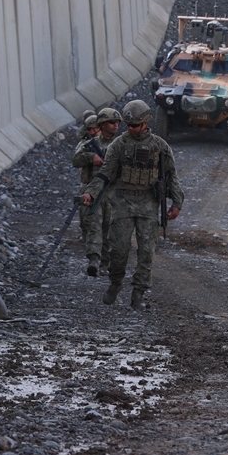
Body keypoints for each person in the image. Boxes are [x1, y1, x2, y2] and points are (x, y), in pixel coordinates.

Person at [82, 100, 184, 310]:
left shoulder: (159, 146)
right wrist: (90, 192)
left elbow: (171, 175)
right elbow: (106, 172)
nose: (130, 129)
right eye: (128, 125)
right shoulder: (118, 145)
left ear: (145, 123)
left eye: (135, 125)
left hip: (148, 203)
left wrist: (177, 201)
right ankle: (115, 283)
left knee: (147, 251)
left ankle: (138, 292)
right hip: (123, 202)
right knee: (118, 250)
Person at [73, 109, 121, 277]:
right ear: (102, 125)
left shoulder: (120, 145)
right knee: (93, 224)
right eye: (111, 122)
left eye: (117, 123)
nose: (115, 125)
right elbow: (75, 159)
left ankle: (105, 261)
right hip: (92, 190)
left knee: (109, 226)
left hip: (112, 191)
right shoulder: (90, 143)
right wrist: (91, 157)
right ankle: (94, 258)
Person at [73, 115, 101, 246]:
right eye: (88, 129)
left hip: (105, 184)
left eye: (93, 129)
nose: (90, 132)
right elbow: (76, 160)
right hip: (88, 182)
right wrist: (90, 157)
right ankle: (85, 233)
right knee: (83, 211)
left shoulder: (112, 143)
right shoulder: (85, 144)